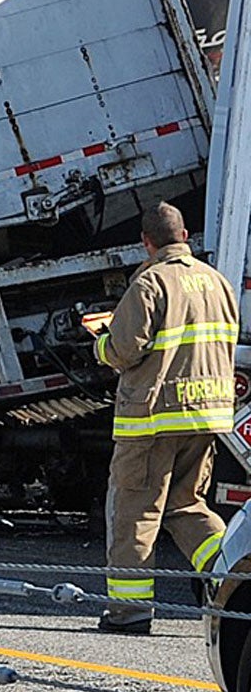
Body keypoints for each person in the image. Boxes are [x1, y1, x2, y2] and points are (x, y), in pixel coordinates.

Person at [81, 201, 238, 635]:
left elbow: (125, 350)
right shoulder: (217, 282)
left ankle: (129, 614)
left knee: (135, 511)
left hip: (152, 419)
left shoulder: (149, 283)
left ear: (146, 243)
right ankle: (234, 578)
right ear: (185, 237)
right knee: (186, 505)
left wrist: (99, 345)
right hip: (206, 415)